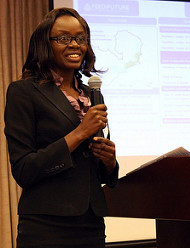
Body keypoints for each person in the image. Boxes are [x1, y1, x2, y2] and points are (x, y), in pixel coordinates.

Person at [4, 7, 119, 248]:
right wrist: (80, 133)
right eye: (64, 38)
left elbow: (92, 168)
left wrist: (109, 163)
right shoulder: (24, 92)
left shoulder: (91, 94)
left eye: (81, 38)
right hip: (47, 225)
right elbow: (24, 169)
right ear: (44, 44)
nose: (75, 44)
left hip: (91, 223)